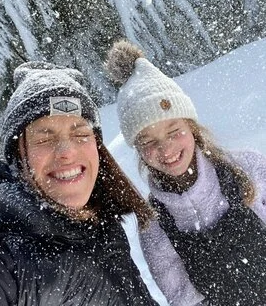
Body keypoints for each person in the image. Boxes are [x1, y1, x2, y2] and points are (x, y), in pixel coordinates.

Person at [0, 61, 159, 306]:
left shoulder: (103, 224)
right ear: (18, 156)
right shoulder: (4, 253)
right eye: (45, 139)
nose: (66, 151)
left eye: (81, 134)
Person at [105, 39, 266, 306]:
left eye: (173, 131)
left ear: (192, 127)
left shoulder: (248, 168)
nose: (165, 148)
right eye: (148, 141)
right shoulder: (154, 224)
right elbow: (182, 297)